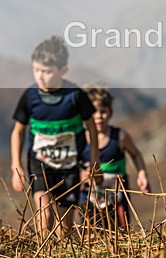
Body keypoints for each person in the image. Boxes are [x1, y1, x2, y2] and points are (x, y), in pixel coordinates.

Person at [10, 35, 101, 239]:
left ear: (63, 71)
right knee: (45, 212)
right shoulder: (30, 96)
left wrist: (94, 161)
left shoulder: (75, 96)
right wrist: (16, 166)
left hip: (69, 167)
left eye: (47, 71)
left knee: (64, 227)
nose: (40, 76)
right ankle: (44, 254)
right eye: (36, 70)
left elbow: (92, 127)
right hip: (40, 165)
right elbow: (18, 131)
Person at [79, 87, 150, 229]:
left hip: (117, 200)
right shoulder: (81, 139)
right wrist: (82, 176)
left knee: (120, 233)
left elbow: (135, 154)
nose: (98, 116)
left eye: (103, 111)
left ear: (111, 112)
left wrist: (142, 174)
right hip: (89, 198)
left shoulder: (120, 137)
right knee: (90, 236)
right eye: (94, 112)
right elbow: (74, 166)